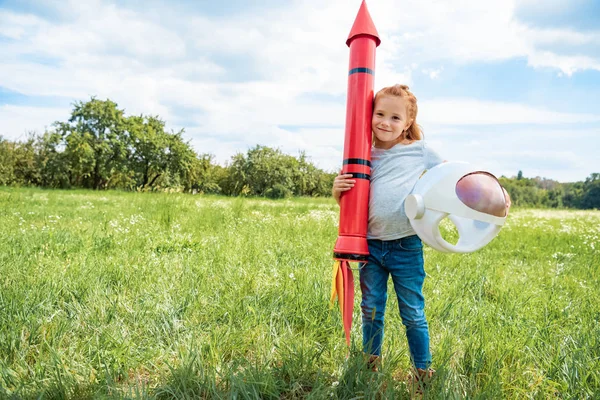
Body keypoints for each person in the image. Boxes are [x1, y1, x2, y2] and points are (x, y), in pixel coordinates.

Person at [332, 84, 511, 386]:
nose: (385, 123)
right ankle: (370, 365)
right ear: (369, 115)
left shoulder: (420, 151)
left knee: (413, 311)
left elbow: (455, 177)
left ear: (407, 124)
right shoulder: (362, 154)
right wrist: (337, 193)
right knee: (371, 309)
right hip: (370, 245)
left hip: (406, 245)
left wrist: (495, 195)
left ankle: (423, 372)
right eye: (380, 114)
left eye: (395, 118)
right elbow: (351, 201)